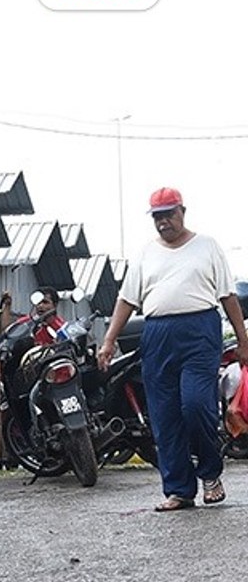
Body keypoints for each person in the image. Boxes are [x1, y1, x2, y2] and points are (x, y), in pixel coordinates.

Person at [96, 187, 248, 512]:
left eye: (169, 214)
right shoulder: (145, 254)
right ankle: (179, 489)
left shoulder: (207, 247)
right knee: (164, 416)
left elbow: (227, 296)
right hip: (158, 336)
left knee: (195, 406)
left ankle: (210, 474)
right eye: (157, 216)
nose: (164, 221)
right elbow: (126, 300)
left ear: (183, 211)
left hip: (200, 332)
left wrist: (243, 340)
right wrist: (109, 341)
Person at [0, 286, 66, 346]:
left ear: (55, 305)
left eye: (45, 302)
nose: (40, 306)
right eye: (38, 302)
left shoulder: (62, 327)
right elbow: (8, 332)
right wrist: (7, 305)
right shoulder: (27, 322)